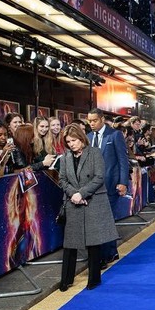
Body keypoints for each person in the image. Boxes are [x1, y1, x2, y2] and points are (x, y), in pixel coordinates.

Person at [58, 124, 119, 292]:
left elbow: (99, 177)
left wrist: (82, 194)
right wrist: (74, 195)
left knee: (93, 243)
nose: (71, 144)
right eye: (68, 141)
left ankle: (94, 279)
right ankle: (66, 280)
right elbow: (62, 180)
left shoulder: (94, 153)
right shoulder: (65, 157)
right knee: (70, 243)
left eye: (74, 140)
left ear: (81, 138)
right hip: (73, 202)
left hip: (93, 201)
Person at [86, 108, 130, 268]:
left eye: (94, 120)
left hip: (111, 185)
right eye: (89, 121)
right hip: (93, 187)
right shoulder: (88, 137)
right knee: (104, 220)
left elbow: (122, 160)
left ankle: (104, 256)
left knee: (104, 220)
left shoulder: (115, 135)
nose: (91, 123)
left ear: (102, 119)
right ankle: (111, 252)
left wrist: (123, 182)